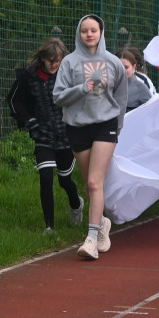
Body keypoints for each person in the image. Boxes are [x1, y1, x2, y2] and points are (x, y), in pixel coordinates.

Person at [53, 14, 128, 261]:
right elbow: (58, 97)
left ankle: (91, 238)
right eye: (84, 30)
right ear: (79, 33)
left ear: (101, 32)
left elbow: (121, 96)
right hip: (77, 127)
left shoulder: (113, 62)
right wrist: (82, 88)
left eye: (93, 30)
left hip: (105, 126)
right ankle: (103, 222)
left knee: (95, 183)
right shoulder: (69, 63)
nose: (89, 34)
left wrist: (118, 126)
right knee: (89, 183)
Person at [7, 38, 84, 232]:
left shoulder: (69, 75)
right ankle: (49, 227)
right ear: (42, 58)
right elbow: (14, 101)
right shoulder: (28, 76)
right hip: (42, 135)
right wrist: (28, 120)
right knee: (46, 178)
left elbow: (81, 99)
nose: (55, 65)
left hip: (66, 135)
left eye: (58, 60)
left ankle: (76, 205)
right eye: (51, 60)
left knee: (65, 180)